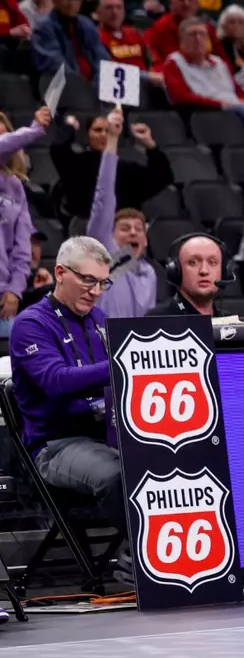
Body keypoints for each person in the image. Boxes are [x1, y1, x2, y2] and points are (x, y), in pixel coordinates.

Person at [7, 236, 127, 552]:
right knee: (119, 474)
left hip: (107, 434)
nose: (96, 291)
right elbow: (56, 381)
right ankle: (142, 557)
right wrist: (123, 364)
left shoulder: (99, 320)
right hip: (56, 446)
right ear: (60, 273)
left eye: (102, 283)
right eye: (88, 280)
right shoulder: (31, 324)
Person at [84, 108, 157, 319]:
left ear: (145, 240)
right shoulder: (103, 258)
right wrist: (112, 139)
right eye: (125, 228)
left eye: (139, 229)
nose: (133, 232)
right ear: (109, 235)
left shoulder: (149, 274)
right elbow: (104, 198)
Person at [0, 107, 49, 331]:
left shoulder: (15, 187)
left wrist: (15, 289)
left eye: (5, 136)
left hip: (4, 299)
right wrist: (34, 129)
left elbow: (22, 248)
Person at [163, 17, 244, 115]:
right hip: (207, 113)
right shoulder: (175, 62)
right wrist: (220, 104)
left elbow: (239, 92)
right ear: (182, 39)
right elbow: (181, 97)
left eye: (202, 34)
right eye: (193, 34)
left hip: (235, 108)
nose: (198, 38)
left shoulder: (219, 62)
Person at [32, 0, 111, 79]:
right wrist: (80, 85)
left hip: (92, 84)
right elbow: (56, 67)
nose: (71, 3)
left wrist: (99, 83)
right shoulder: (44, 27)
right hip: (65, 85)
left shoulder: (86, 24)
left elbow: (102, 58)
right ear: (54, 0)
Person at [148, 234, 235, 317]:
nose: (204, 271)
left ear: (224, 271)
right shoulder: (157, 319)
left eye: (212, 262)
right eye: (193, 262)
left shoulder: (231, 323)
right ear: (176, 270)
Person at [144, 0, 222, 64]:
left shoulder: (207, 28)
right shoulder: (161, 27)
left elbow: (222, 60)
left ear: (197, 4)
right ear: (171, 2)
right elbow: (164, 61)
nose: (186, 3)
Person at [94, 0, 158, 82]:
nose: (115, 12)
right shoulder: (95, 37)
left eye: (119, 7)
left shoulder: (135, 33)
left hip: (145, 85)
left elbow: (151, 63)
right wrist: (147, 76)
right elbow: (109, 72)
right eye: (109, 8)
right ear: (98, 12)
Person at [215, 6, 244, 74]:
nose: (236, 25)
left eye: (240, 22)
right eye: (232, 22)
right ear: (223, 26)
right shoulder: (218, 47)